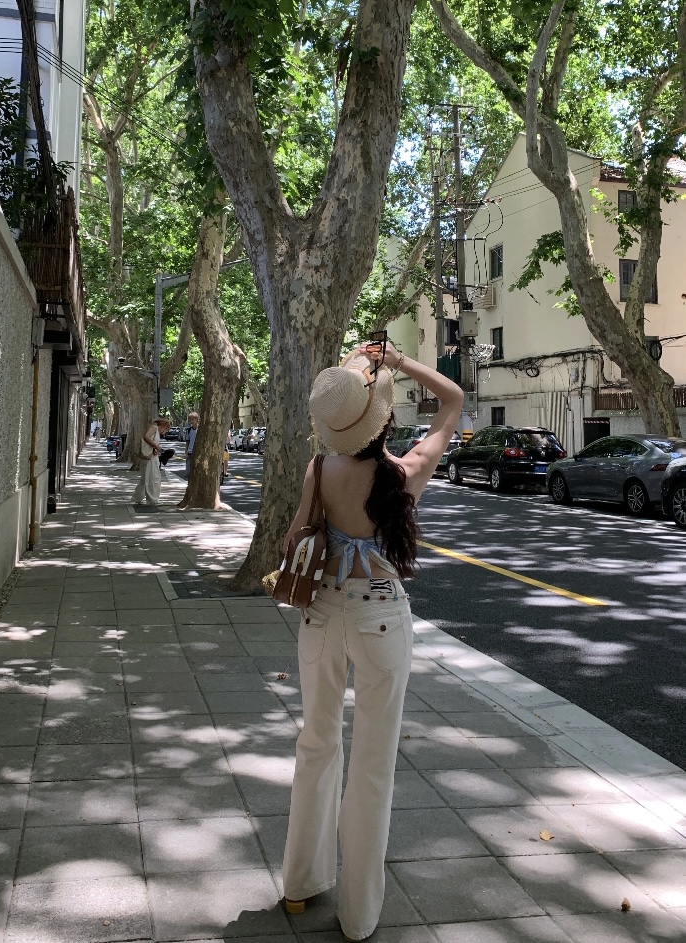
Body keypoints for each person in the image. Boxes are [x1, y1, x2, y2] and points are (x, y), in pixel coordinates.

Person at [281, 340, 463, 941]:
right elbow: (453, 402)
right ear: (383, 418)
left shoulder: (318, 470)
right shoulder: (404, 473)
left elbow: (292, 541)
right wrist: (397, 362)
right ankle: (358, 916)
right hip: (381, 614)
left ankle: (300, 884)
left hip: (321, 613)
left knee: (315, 745)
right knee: (373, 765)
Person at [132, 417, 171, 506]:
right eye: (166, 430)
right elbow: (146, 437)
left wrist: (155, 449)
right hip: (150, 458)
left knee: (145, 478)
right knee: (152, 478)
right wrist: (156, 446)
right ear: (164, 426)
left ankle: (137, 497)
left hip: (152, 455)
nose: (165, 432)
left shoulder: (157, 431)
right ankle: (152, 499)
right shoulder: (154, 428)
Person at [185, 411, 199, 478]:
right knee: (188, 472)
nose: (191, 421)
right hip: (190, 452)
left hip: (198, 452)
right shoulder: (189, 430)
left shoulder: (200, 430)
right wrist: (186, 451)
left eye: (192, 419)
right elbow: (187, 441)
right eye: (190, 420)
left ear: (197, 419)